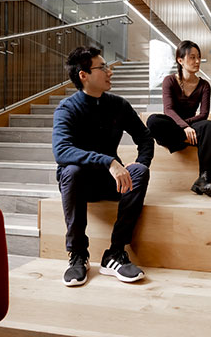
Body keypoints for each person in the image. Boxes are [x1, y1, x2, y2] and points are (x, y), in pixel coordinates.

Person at [53, 46, 154, 287]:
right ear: (83, 75)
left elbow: (145, 137)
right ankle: (78, 254)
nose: (110, 71)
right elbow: (62, 151)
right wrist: (108, 160)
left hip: (111, 183)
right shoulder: (67, 108)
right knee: (71, 170)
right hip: (81, 184)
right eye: (103, 67)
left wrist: (140, 163)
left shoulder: (118, 105)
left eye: (107, 66)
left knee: (140, 172)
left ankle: (115, 254)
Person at [147, 40, 211, 196]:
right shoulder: (169, 80)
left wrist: (187, 126)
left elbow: (203, 114)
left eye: (198, 57)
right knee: (153, 121)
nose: (197, 61)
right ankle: (203, 138)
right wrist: (184, 128)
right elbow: (168, 110)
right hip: (173, 125)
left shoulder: (204, 85)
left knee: (209, 125)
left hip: (192, 126)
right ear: (180, 60)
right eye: (192, 57)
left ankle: (204, 178)